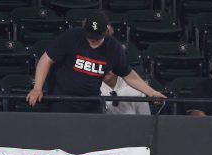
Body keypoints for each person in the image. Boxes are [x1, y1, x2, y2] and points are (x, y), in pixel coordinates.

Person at [25, 11, 165, 113]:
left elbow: (128, 74)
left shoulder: (113, 48)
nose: (92, 40)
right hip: (62, 100)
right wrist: (37, 88)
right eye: (89, 36)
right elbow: (46, 59)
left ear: (106, 31)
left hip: (91, 102)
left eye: (96, 37)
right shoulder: (72, 36)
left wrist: (151, 92)